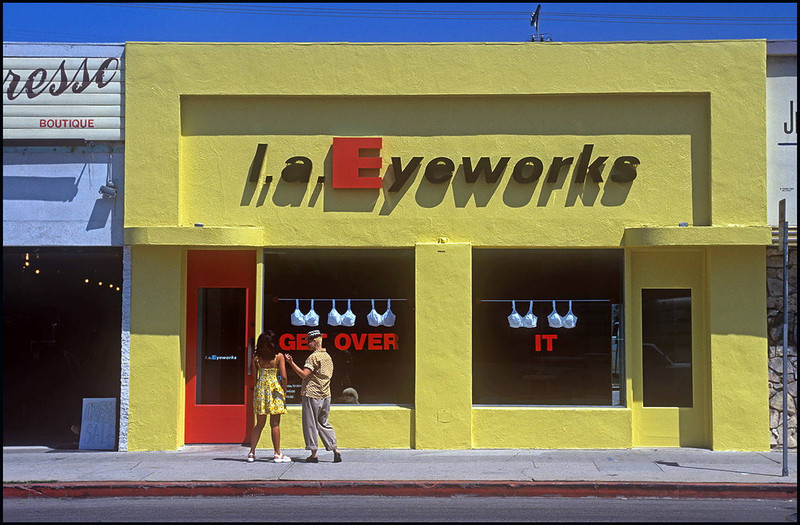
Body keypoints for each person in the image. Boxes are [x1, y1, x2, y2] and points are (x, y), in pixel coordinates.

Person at [286, 329, 342, 463]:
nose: (307, 344)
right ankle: (335, 450)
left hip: (312, 394)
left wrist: (291, 362)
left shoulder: (313, 357)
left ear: (315, 342)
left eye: (309, 341)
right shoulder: (327, 356)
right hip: (326, 395)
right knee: (324, 423)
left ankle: (314, 454)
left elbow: (304, 374)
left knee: (310, 424)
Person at [248, 330, 291, 463]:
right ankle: (277, 453)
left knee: (259, 424)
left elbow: (254, 378)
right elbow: (283, 376)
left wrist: (257, 390)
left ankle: (251, 453)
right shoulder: (279, 357)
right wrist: (284, 390)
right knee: (275, 423)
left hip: (261, 390)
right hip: (275, 390)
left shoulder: (256, 358)